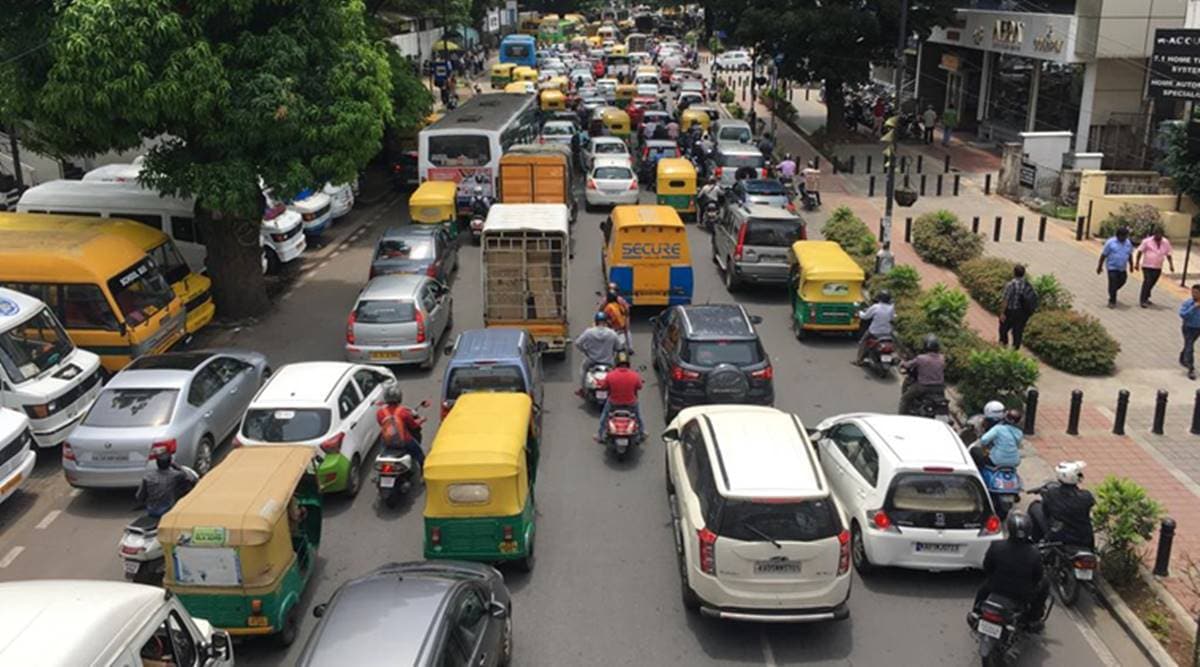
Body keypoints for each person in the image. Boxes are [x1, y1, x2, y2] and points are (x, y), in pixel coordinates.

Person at [974, 511, 1050, 633]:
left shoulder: (996, 546)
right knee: (1044, 584)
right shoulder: (1034, 553)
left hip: (995, 588)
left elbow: (987, 567)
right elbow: (1038, 577)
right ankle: (1033, 618)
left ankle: (976, 612)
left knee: (982, 589)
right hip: (1021, 595)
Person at [1030, 461, 1095, 549]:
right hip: (1084, 538)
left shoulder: (1052, 494)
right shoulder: (1086, 496)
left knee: (1034, 507)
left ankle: (1036, 542)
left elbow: (1046, 512)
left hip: (1059, 537)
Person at [134, 445, 196, 519]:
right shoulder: (176, 475)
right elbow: (189, 477)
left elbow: (139, 496)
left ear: (157, 463)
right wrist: (175, 465)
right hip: (168, 510)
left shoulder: (148, 477)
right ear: (169, 463)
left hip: (151, 510)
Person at [595, 350, 644, 442]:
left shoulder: (610, 375)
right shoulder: (634, 375)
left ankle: (600, 434)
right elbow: (639, 386)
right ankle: (642, 433)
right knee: (638, 416)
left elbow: (604, 387)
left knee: (604, 416)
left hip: (614, 403)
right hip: (631, 403)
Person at [376, 385, 426, 470]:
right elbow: (413, 425)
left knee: (381, 453)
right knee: (420, 455)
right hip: (405, 441)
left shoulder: (380, 412)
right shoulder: (403, 412)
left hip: (387, 442)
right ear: (399, 397)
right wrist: (422, 420)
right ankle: (423, 474)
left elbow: (382, 424)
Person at [574, 311, 624, 391]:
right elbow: (618, 347)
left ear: (596, 321)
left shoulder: (589, 332)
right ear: (606, 321)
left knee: (583, 369)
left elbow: (577, 343)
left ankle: (582, 389)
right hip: (608, 362)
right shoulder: (612, 333)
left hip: (592, 361)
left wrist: (585, 351)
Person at [898, 334, 946, 415]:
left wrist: (902, 363)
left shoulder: (921, 358)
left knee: (905, 399)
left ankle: (902, 416)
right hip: (940, 388)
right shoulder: (942, 358)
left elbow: (908, 365)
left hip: (923, 387)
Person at [999, 265, 1038, 349]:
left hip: (1010, 311)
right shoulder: (1027, 284)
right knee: (1018, 331)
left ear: (1014, 273)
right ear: (1024, 274)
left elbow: (1005, 300)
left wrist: (1002, 313)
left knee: (1003, 329)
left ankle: (1003, 346)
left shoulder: (1010, 285)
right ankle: (1015, 350)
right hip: (1022, 313)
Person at [1135, 227, 1175, 307]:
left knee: (1152, 283)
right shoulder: (1147, 241)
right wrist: (1137, 263)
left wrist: (1171, 265)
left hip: (1158, 267)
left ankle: (1146, 297)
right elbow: (1140, 251)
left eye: (1160, 234)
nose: (1158, 236)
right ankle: (1142, 300)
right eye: (1157, 234)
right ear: (1154, 234)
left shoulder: (1165, 242)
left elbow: (1168, 254)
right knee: (1147, 282)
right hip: (1147, 266)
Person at [1097, 226, 1135, 307]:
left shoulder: (1128, 243)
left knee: (1123, 281)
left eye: (1125, 236)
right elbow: (1103, 255)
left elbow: (1130, 254)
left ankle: (1112, 290)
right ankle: (1112, 300)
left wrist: (1131, 265)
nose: (1124, 238)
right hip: (1112, 267)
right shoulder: (1110, 243)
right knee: (1113, 282)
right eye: (1123, 236)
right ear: (1118, 235)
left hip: (1122, 268)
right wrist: (1099, 266)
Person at [855, 290, 895, 366]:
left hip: (874, 332)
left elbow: (865, 316)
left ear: (879, 298)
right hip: (887, 332)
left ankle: (859, 360)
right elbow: (893, 318)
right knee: (892, 342)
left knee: (863, 342)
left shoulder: (875, 307)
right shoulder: (891, 308)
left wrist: (859, 312)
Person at [1179, 284, 1200, 380]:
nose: (1194, 294)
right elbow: (1183, 314)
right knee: (1190, 346)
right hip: (1188, 328)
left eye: (1196, 293)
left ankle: (1183, 356)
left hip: (1198, 328)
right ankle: (1190, 367)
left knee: (1188, 345)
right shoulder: (1188, 303)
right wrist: (1194, 308)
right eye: (1193, 292)